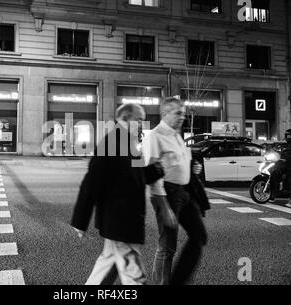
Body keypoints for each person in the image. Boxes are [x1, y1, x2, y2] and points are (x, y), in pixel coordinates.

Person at [70, 103, 165, 285]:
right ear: (125, 119)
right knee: (134, 274)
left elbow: (139, 173)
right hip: (120, 220)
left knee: (106, 266)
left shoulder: (128, 142)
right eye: (139, 119)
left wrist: (159, 168)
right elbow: (91, 182)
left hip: (124, 219)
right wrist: (80, 221)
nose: (142, 124)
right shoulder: (112, 142)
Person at [142, 97, 210, 285]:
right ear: (165, 113)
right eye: (178, 113)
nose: (183, 117)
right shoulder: (155, 137)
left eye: (183, 113)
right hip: (167, 193)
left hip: (184, 192)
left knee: (199, 237)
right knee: (168, 245)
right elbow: (151, 175)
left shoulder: (176, 134)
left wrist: (192, 168)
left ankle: (177, 281)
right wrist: (164, 207)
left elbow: (179, 161)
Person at [270, 129, 291, 208]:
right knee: (274, 173)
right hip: (286, 164)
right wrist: (275, 153)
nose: (288, 137)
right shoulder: (286, 145)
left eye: (290, 136)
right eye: (287, 136)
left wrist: (290, 158)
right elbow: (281, 152)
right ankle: (274, 194)